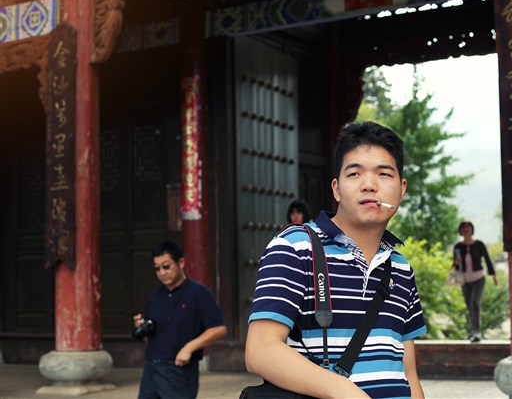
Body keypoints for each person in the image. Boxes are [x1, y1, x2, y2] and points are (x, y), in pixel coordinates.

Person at [245, 121, 427, 399]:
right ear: (337, 189)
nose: (369, 185)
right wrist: (347, 392)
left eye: (384, 174)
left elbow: (408, 371)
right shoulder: (295, 247)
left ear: (401, 189)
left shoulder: (400, 267)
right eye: (354, 173)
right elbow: (261, 350)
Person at [134, 241, 227, 399]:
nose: (162, 273)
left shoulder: (198, 292)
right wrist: (141, 327)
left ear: (181, 263)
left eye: (166, 266)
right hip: (151, 369)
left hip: (178, 370)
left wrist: (189, 348)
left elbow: (219, 328)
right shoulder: (155, 297)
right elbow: (149, 338)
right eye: (157, 268)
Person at [452, 220, 497, 342]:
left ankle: (477, 332)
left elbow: (487, 259)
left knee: (474, 303)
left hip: (478, 279)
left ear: (472, 229)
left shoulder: (479, 244)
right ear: (461, 231)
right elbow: (456, 267)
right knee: (469, 307)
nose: (466, 229)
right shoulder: (458, 247)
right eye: (464, 227)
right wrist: (456, 263)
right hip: (465, 281)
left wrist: (493, 275)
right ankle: (472, 331)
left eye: (468, 227)